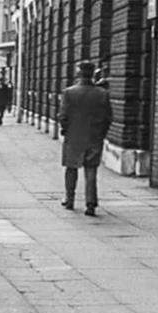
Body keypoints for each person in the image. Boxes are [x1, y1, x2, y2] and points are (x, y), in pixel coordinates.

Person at [58, 60, 112, 216]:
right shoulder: (102, 94)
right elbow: (108, 117)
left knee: (71, 168)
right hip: (94, 136)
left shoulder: (69, 92)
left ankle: (69, 199)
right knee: (91, 170)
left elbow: (63, 115)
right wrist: (102, 132)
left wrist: (65, 129)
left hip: (74, 136)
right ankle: (90, 203)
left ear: (79, 73)